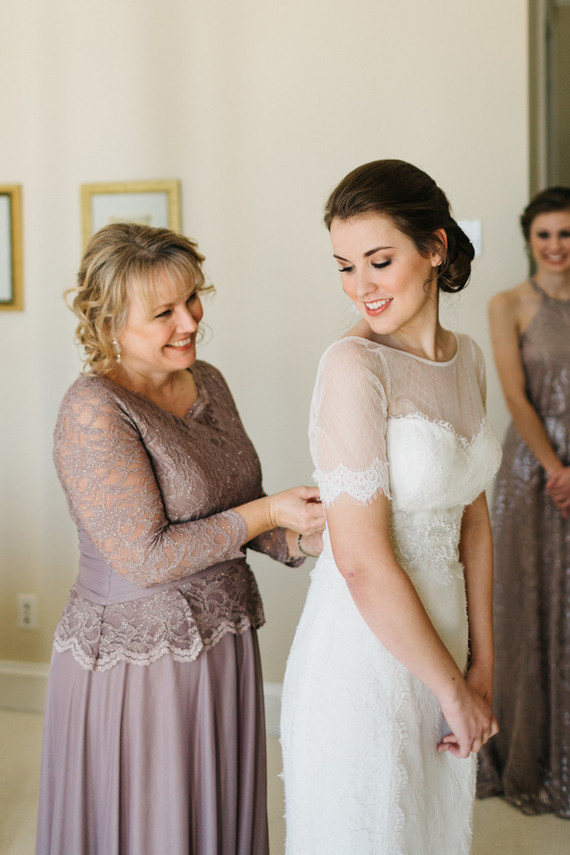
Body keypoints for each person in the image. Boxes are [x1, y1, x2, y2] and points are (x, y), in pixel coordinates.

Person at [36, 222, 324, 855]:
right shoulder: (93, 409)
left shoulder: (208, 380)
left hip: (224, 642)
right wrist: (270, 510)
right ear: (110, 323)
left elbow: (232, 511)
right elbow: (146, 556)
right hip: (143, 663)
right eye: (163, 312)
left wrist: (311, 531)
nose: (189, 321)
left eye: (192, 299)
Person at [280, 159, 501, 854]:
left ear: (435, 247)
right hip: (364, 659)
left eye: (379, 260)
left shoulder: (467, 359)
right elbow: (362, 562)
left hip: (449, 641)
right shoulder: (352, 366)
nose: (361, 287)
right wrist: (454, 690)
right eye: (345, 266)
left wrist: (482, 666)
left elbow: (474, 520)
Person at [477, 186, 570, 818]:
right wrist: (558, 469)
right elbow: (513, 395)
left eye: (567, 233)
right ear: (528, 239)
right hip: (532, 473)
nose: (557, 246)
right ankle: (531, 755)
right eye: (545, 235)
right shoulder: (506, 303)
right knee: (528, 605)